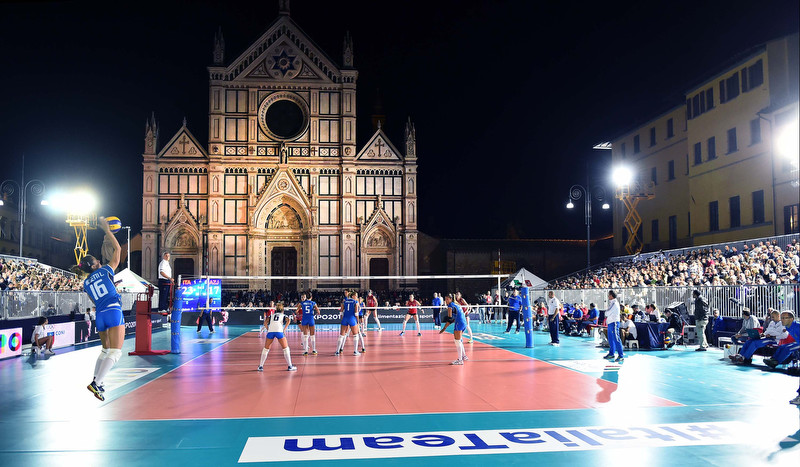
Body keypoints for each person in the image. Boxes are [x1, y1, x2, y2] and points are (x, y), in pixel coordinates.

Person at [79, 217, 123, 401]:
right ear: (95, 264)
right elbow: (119, 250)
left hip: (101, 315)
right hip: (113, 310)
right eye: (96, 260)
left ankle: (97, 381)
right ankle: (97, 383)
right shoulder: (105, 270)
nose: (99, 259)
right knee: (115, 352)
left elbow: (94, 298)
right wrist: (107, 230)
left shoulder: (86, 282)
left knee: (105, 351)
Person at [258, 302, 297, 372]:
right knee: (286, 348)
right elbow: (289, 320)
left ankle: (261, 366)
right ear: (282, 310)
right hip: (279, 331)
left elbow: (265, 323)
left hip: (271, 332)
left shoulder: (271, 315)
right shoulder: (283, 315)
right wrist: (284, 329)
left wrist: (268, 329)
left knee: (266, 349)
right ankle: (290, 366)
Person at [439, 293, 468, 364]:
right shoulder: (456, 304)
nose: (446, 301)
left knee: (457, 341)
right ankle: (464, 356)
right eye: (445, 299)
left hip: (459, 323)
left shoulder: (450, 306)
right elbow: (453, 318)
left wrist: (444, 328)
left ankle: (460, 360)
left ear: (451, 299)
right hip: (464, 322)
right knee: (459, 340)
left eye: (447, 299)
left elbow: (450, 319)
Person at [336, 291, 363, 355]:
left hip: (345, 318)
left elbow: (341, 311)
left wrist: (342, 318)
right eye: (356, 296)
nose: (356, 297)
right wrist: (357, 321)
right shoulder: (355, 302)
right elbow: (356, 313)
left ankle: (337, 351)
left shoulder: (344, 301)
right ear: (352, 296)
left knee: (341, 335)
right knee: (355, 335)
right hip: (352, 318)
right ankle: (355, 351)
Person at [602, 290, 624, 362]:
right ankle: (611, 353)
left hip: (614, 323)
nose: (608, 296)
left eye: (609, 295)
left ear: (611, 295)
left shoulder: (615, 303)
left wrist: (606, 313)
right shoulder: (612, 303)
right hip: (610, 323)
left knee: (616, 339)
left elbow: (608, 312)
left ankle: (621, 355)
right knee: (611, 339)